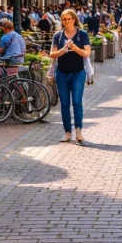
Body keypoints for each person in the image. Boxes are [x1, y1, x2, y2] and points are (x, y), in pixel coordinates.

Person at [50, 9, 92, 144]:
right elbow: (52, 54)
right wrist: (62, 51)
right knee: (64, 104)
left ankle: (78, 130)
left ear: (74, 19)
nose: (66, 21)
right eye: (64, 19)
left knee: (77, 102)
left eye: (69, 19)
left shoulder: (82, 34)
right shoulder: (58, 35)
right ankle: (67, 132)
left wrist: (74, 48)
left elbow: (87, 54)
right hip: (62, 73)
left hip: (78, 73)